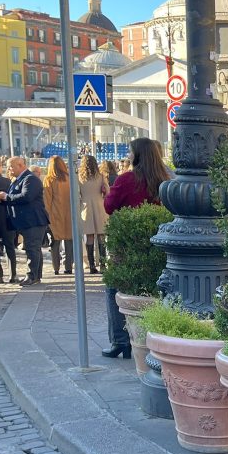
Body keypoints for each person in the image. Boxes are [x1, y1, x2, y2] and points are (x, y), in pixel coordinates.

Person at [101, 137, 171, 359]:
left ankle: (120, 341)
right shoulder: (166, 179)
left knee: (115, 288)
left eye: (130, 152)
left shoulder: (127, 179)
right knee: (156, 290)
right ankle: (151, 337)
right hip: (159, 243)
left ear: (138, 155)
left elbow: (109, 206)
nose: (128, 156)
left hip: (128, 244)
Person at [0, 156, 49, 286]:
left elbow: (26, 197)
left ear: (21, 165)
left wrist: (6, 197)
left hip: (33, 221)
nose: (9, 169)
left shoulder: (30, 179)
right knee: (34, 249)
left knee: (32, 248)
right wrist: (2, 198)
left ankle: (32, 276)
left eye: (11, 166)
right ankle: (35, 276)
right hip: (26, 221)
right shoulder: (18, 179)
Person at [78, 154, 109, 274]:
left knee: (89, 237)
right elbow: (107, 192)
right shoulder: (100, 176)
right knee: (101, 236)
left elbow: (77, 194)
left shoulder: (79, 177)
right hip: (99, 206)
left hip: (86, 208)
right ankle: (102, 264)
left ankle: (91, 265)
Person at [43, 156, 74, 275]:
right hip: (69, 214)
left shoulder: (49, 179)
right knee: (69, 242)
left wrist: (47, 216)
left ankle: (56, 267)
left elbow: (47, 200)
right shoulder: (70, 178)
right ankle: (68, 267)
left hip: (55, 214)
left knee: (55, 242)